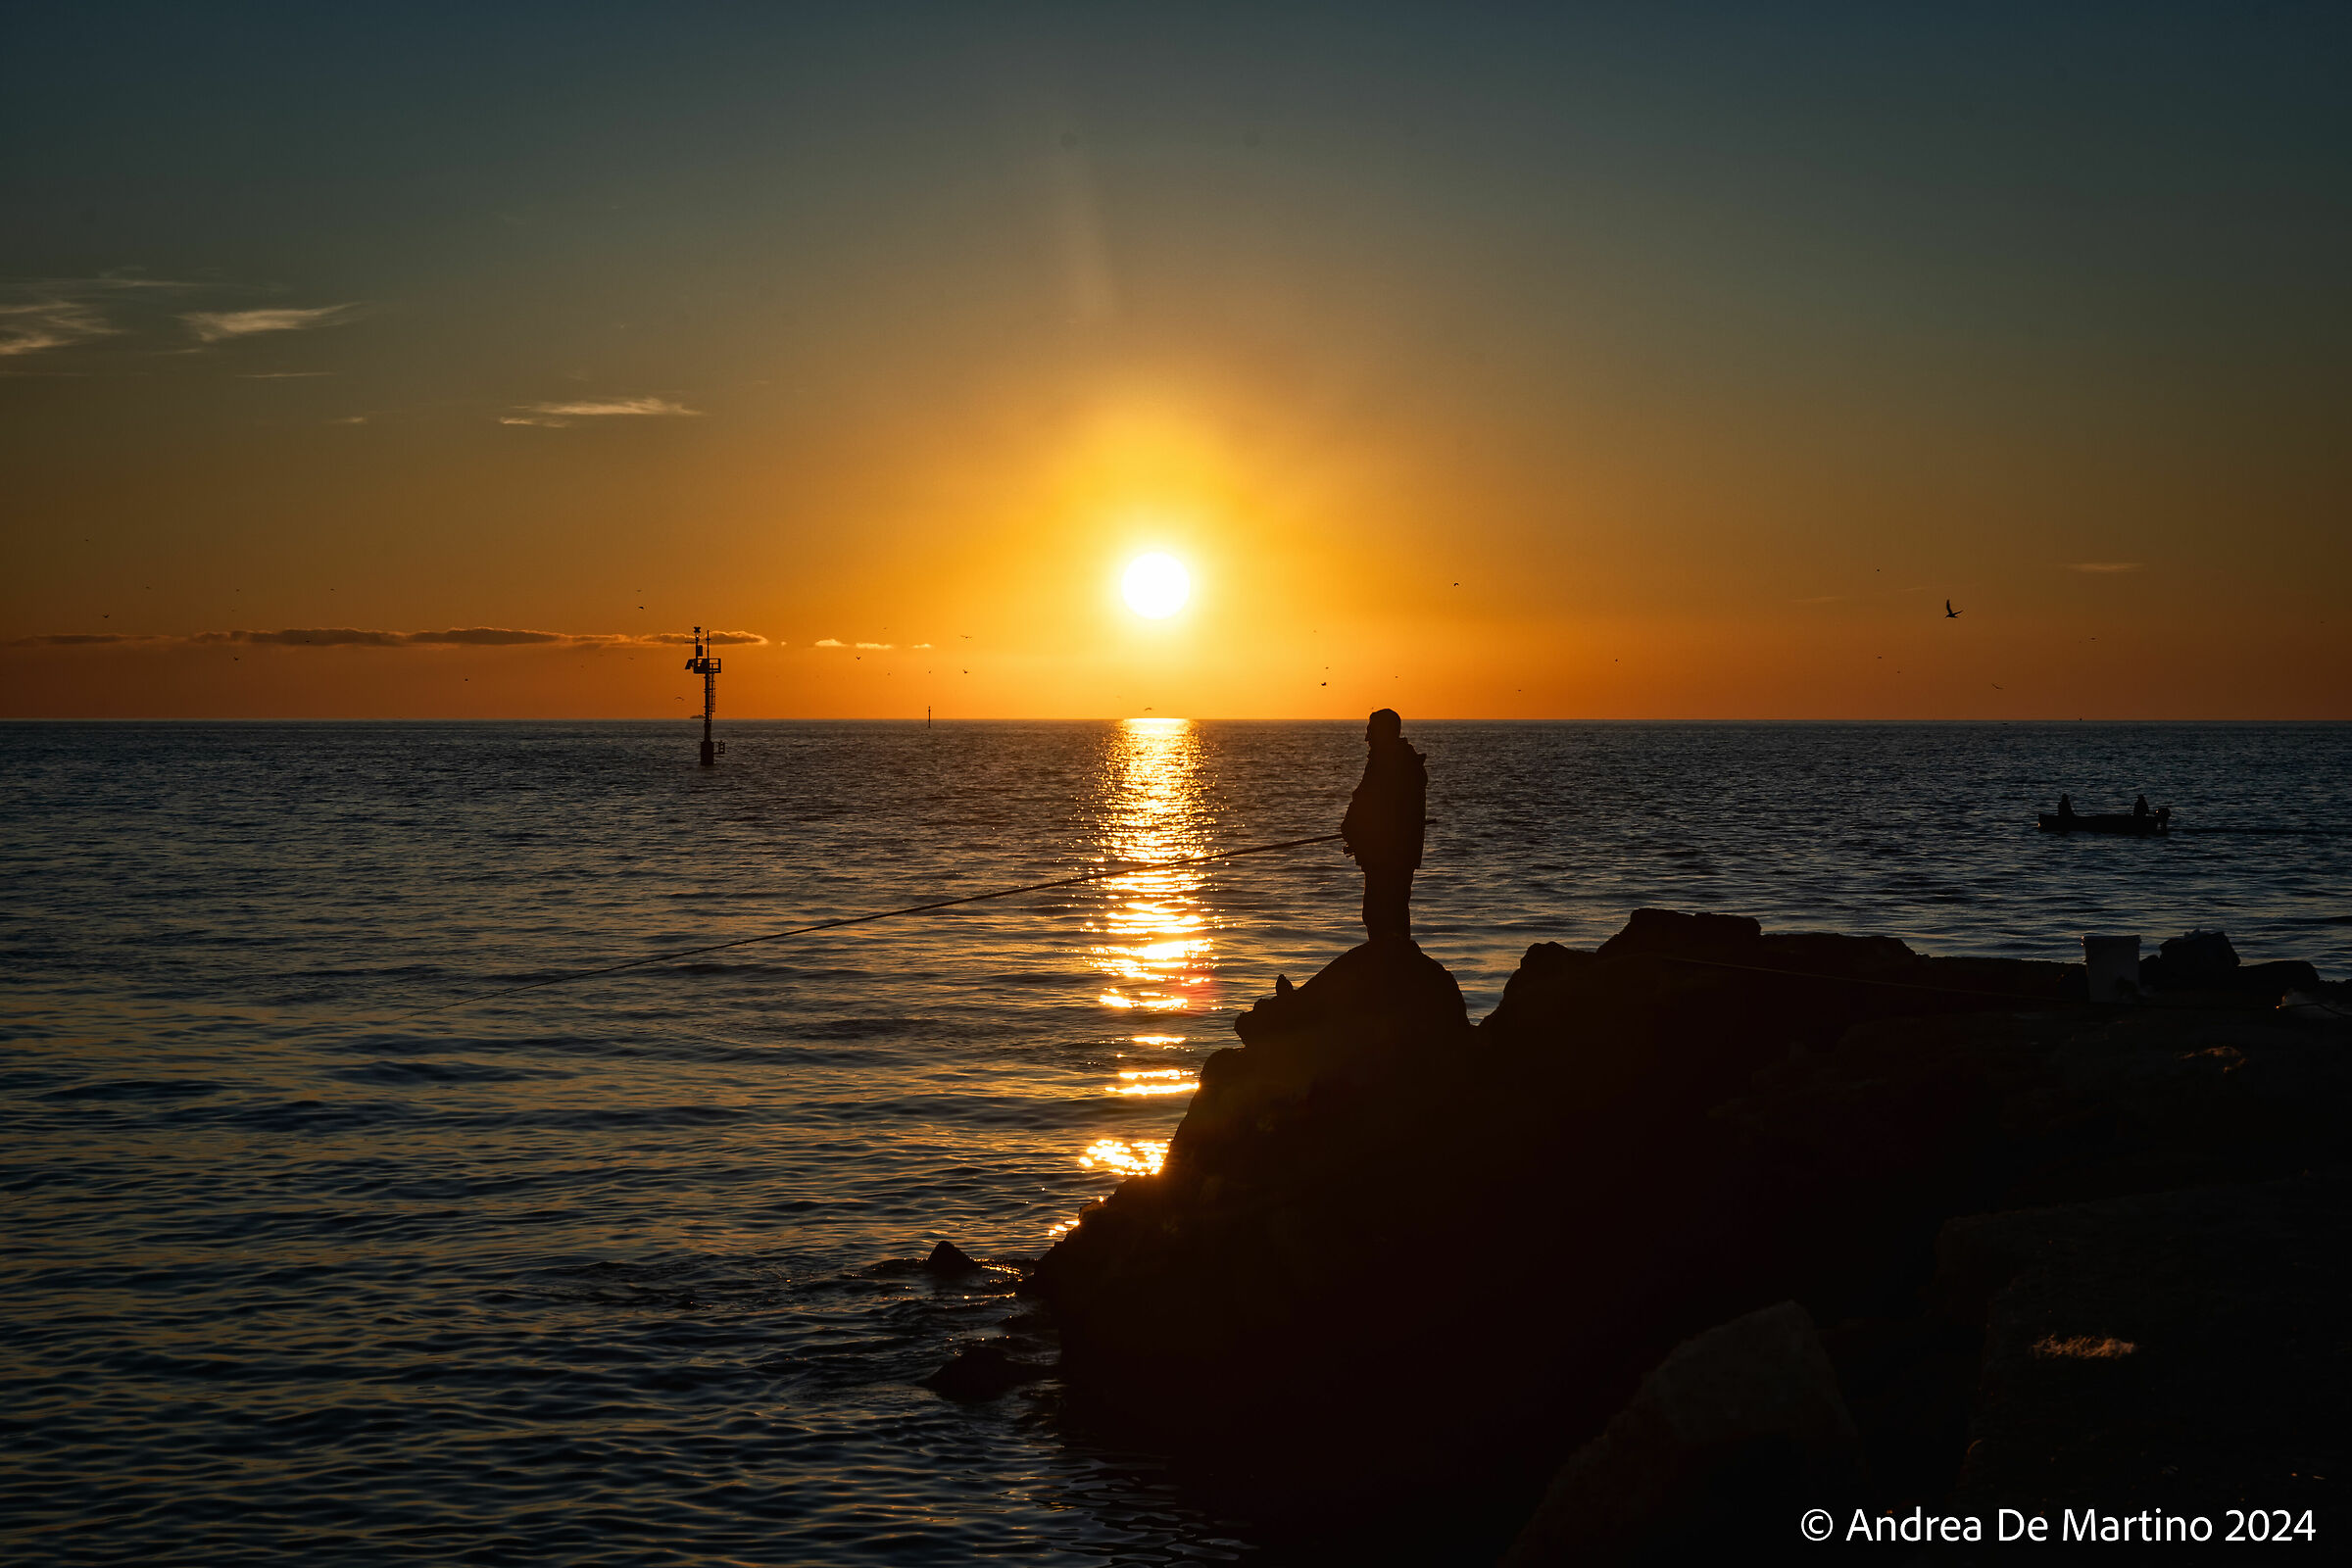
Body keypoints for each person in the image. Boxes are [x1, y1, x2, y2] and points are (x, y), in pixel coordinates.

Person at [1342, 709, 1427, 941]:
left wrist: (1357, 834)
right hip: (1390, 856)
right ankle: (1393, 963)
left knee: (1382, 914)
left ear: (1383, 732)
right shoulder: (1399, 762)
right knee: (1387, 913)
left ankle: (1389, 966)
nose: (1366, 738)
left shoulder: (1390, 765)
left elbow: (1374, 805)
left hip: (1388, 858)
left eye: (1371, 731)